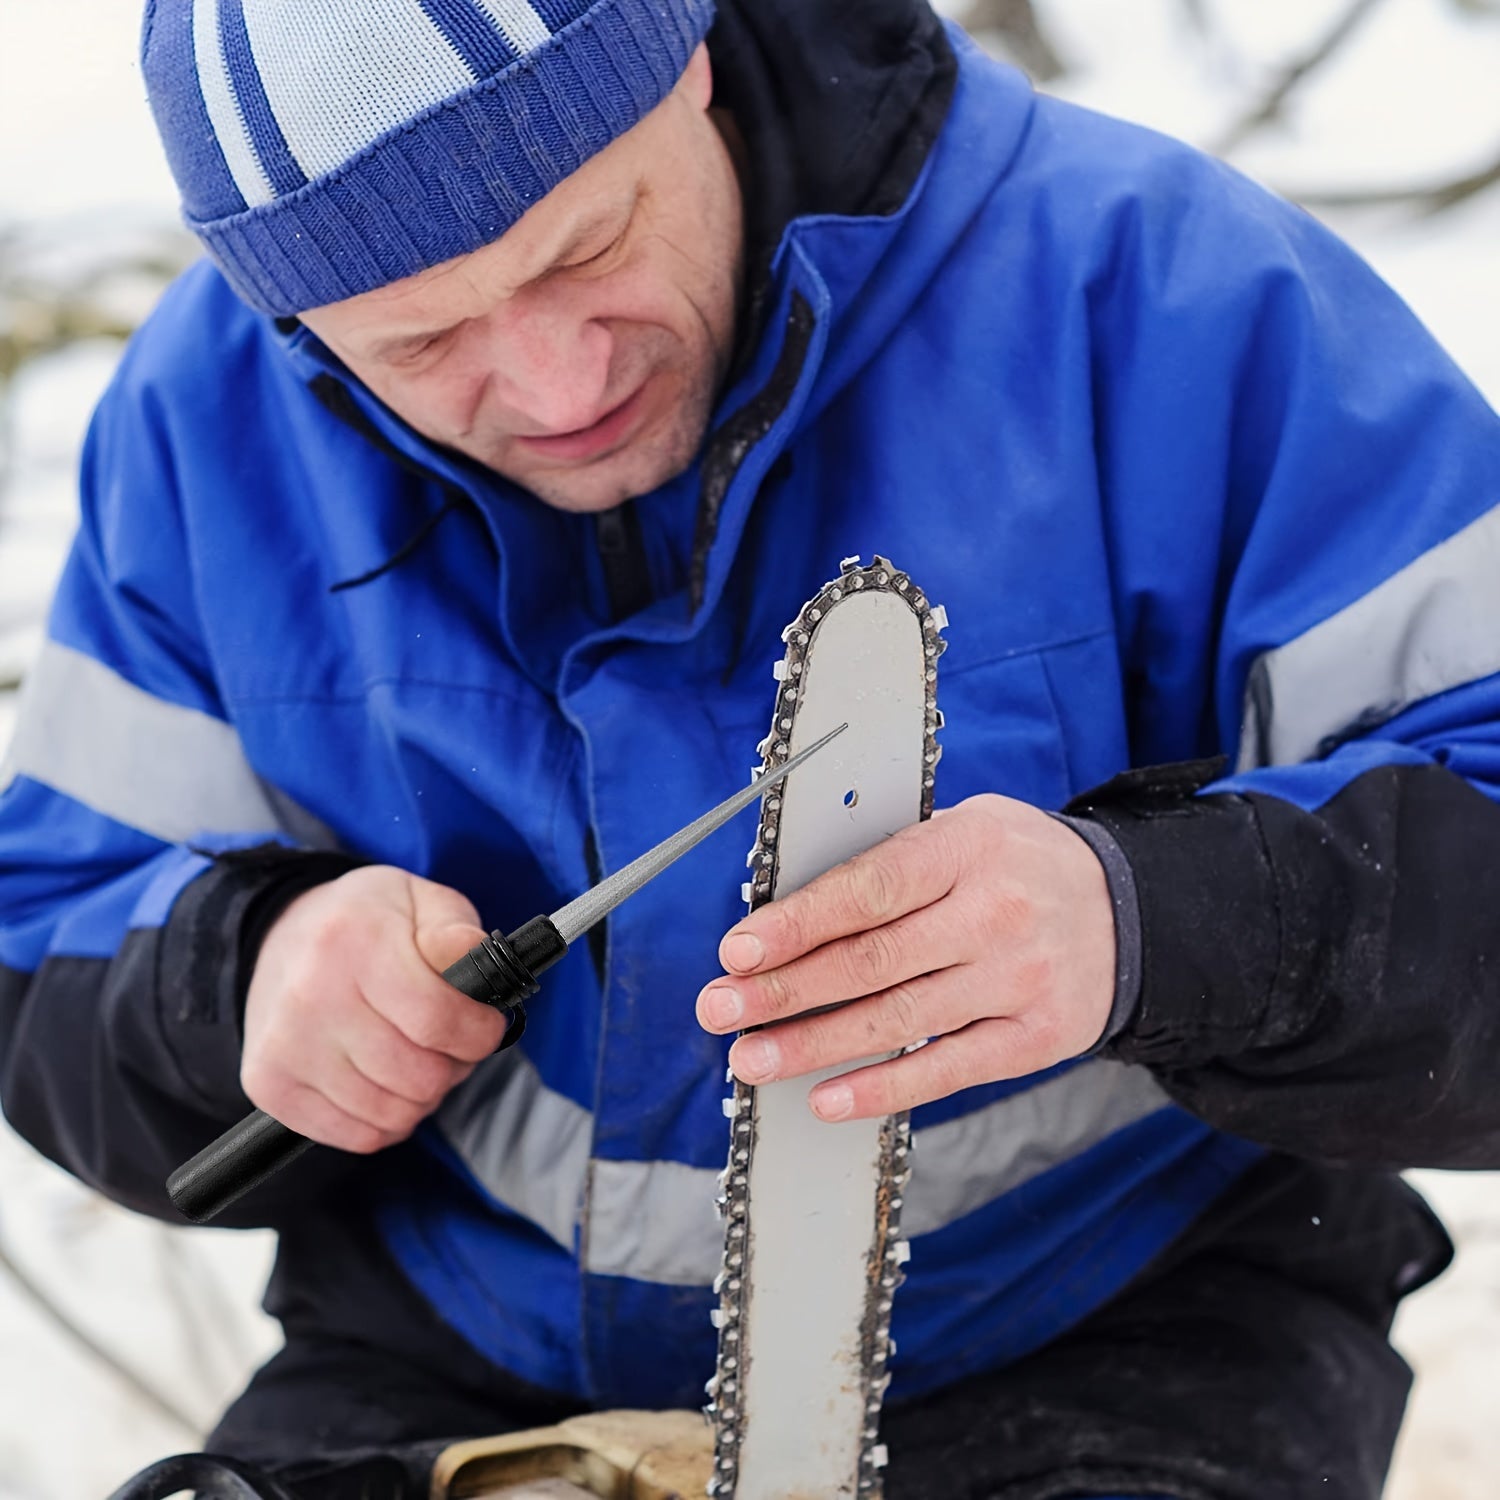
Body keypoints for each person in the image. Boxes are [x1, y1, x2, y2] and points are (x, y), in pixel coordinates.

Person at [2, 1, 1498, 1496]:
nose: (556, 388)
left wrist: (1151, 923)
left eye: (587, 248)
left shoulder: (1164, 291)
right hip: (445, 1359)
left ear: (690, 63)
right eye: (425, 341)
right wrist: (239, 977)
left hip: (1115, 1329)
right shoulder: (205, 422)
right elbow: (41, 950)